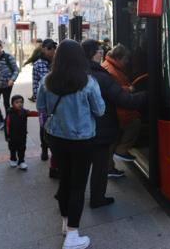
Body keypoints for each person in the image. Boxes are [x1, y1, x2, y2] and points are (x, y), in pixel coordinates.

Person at [37, 39, 105, 249]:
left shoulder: (46, 81)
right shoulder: (88, 82)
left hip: (57, 138)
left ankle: (66, 222)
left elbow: (41, 107)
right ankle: (73, 235)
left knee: (64, 179)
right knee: (78, 185)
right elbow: (100, 110)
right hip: (83, 140)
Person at [81, 40, 146, 208]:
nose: (101, 54)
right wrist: (146, 95)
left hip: (82, 129)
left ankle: (71, 199)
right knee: (100, 166)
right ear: (91, 54)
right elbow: (122, 100)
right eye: (97, 51)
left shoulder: (80, 72)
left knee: (84, 167)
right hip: (101, 127)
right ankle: (97, 198)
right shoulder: (101, 75)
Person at [101, 44, 141, 169]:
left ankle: (109, 168)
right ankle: (122, 150)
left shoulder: (110, 66)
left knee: (113, 139)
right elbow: (114, 90)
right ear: (118, 58)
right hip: (117, 110)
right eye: (125, 59)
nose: (127, 62)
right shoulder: (111, 70)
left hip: (112, 109)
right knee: (135, 122)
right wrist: (129, 89)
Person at [32, 39, 57, 163]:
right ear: (43, 49)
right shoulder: (40, 63)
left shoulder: (55, 62)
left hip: (54, 101)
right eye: (49, 49)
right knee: (43, 126)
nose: (51, 51)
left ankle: (53, 149)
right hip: (43, 102)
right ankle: (44, 148)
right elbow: (47, 82)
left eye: (53, 49)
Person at [4, 95, 39, 170]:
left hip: (22, 135)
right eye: (17, 102)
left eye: (21, 102)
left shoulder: (24, 111)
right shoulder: (9, 112)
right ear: (12, 104)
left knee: (22, 148)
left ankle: (21, 161)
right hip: (12, 136)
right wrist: (7, 136)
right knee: (12, 149)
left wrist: (40, 113)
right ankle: (13, 159)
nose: (20, 104)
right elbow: (6, 125)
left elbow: (32, 113)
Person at [0, 40, 19, 131]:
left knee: (6, 103)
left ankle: (8, 120)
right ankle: (0, 120)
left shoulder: (8, 57)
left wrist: (12, 79)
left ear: (1, 47)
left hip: (7, 85)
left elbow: (16, 70)